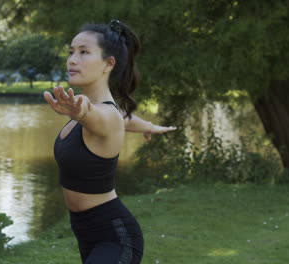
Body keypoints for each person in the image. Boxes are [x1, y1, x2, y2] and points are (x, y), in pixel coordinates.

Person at [43, 19, 176, 264]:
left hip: (115, 237)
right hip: (87, 235)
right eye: (71, 52)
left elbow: (102, 118)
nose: (72, 60)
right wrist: (148, 125)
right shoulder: (109, 114)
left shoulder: (98, 114)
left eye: (84, 52)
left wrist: (81, 112)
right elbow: (124, 119)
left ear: (108, 63)